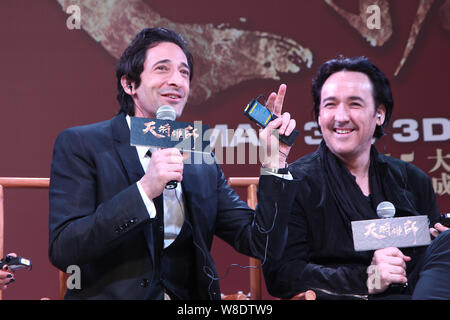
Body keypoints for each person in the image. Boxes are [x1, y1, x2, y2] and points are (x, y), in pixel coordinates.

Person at [48, 27, 298, 300]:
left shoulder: (198, 152)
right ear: (129, 84)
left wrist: (275, 161)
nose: (177, 81)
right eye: (162, 69)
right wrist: (144, 190)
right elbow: (64, 249)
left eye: (184, 73)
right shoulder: (82, 144)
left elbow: (261, 242)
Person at [263, 56, 450, 300]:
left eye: (355, 104)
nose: (341, 117)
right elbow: (282, 275)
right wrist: (369, 277)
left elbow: (425, 268)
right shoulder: (296, 182)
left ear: (379, 114)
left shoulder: (413, 181)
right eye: (330, 105)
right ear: (319, 116)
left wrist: (437, 243)